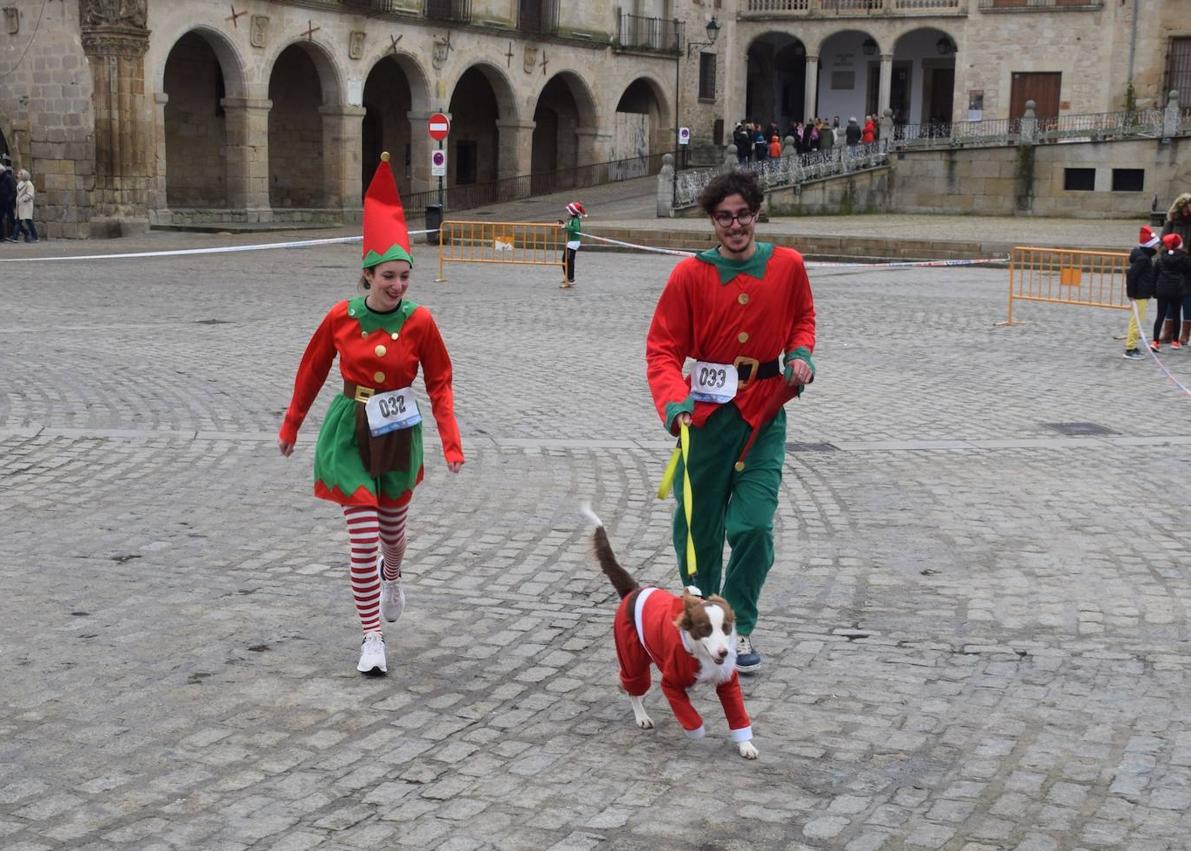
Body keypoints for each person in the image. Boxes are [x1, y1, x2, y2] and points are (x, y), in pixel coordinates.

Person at [278, 152, 464, 676]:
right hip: (351, 430)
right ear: (367, 275)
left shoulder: (421, 321)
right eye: (388, 276)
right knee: (362, 538)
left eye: (405, 277)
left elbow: (441, 381)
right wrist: (292, 423)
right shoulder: (340, 317)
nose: (398, 286)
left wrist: (450, 440)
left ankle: (395, 573)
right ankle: (372, 637)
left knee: (392, 534)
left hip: (400, 431)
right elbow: (312, 370)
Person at [645, 169, 816, 674]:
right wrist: (674, 403)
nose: (735, 225)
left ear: (757, 213)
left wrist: (800, 354)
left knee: (754, 525)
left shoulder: (788, 266)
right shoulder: (689, 275)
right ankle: (704, 628)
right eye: (724, 217)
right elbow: (662, 349)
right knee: (697, 529)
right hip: (705, 419)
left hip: (764, 413)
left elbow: (803, 317)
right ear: (712, 221)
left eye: (743, 214)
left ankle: (736, 626)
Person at [1124, 226, 1159, 359]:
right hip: (1139, 294)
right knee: (1136, 321)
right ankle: (1130, 348)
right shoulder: (1143, 259)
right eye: (1156, 244)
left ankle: (1132, 345)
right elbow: (1131, 275)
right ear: (1150, 246)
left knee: (1138, 320)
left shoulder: (1144, 257)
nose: (1158, 247)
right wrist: (1131, 294)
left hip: (1142, 293)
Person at [1152, 233, 1190, 352]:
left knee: (1160, 316)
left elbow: (1155, 274)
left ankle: (1155, 341)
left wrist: (1154, 290)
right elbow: (1187, 271)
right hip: (1177, 290)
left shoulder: (1161, 257)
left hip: (1162, 290)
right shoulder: (1183, 257)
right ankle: (1175, 341)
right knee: (1176, 315)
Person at [557, 200, 586, 289]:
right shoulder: (571, 219)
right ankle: (567, 277)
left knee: (569, 260)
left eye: (569, 211)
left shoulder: (575, 220)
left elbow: (575, 229)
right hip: (570, 242)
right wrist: (563, 226)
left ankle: (571, 279)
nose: (567, 212)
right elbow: (569, 228)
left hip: (573, 243)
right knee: (565, 260)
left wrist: (566, 226)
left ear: (572, 212)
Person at [13, 169, 38, 243]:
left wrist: (22, 199)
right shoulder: (20, 183)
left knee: (28, 222)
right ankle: (14, 237)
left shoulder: (29, 184)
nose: (18, 175)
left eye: (20, 174)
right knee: (18, 221)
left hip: (26, 205)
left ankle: (35, 236)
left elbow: (30, 194)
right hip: (20, 206)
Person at [0, 164, 15, 241]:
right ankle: (2, 236)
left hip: (7, 202)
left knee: (11, 219)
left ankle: (18, 233)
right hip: (2, 202)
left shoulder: (8, 178)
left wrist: (9, 200)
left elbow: (12, 190)